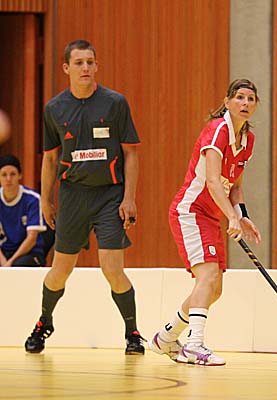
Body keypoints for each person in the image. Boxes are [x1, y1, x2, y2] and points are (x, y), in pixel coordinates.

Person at [24, 39, 144, 355]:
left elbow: (131, 154)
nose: (86, 68)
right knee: (60, 270)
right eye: (79, 63)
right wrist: (45, 200)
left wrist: (129, 198)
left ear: (96, 65)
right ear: (66, 68)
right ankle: (44, 322)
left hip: (109, 195)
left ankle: (132, 333)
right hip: (72, 196)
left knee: (112, 268)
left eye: (90, 62)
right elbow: (50, 158)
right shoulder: (54, 108)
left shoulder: (115, 103)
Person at [148, 78, 262, 366]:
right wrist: (231, 217)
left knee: (214, 289)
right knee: (207, 278)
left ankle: (166, 337)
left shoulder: (248, 140)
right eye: (239, 97)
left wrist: (242, 215)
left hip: (211, 216)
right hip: (191, 211)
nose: (245, 103)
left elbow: (234, 186)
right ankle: (194, 345)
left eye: (250, 99)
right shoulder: (218, 130)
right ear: (227, 102)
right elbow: (212, 181)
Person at [0, 155, 48, 267]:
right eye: (4, 175)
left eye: (12, 174)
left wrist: (10, 263)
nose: (8, 179)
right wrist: (3, 263)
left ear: (20, 175)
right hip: (4, 252)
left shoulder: (32, 199)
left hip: (30, 253)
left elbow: (31, 238)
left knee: (19, 265)